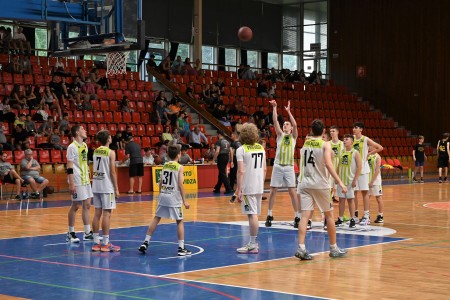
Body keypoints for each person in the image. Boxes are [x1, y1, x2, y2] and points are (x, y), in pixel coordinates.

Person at [295, 119, 348, 260]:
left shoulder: (305, 143)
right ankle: (333, 248)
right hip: (320, 184)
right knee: (329, 215)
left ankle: (301, 247)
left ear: (312, 130)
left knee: (305, 216)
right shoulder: (325, 145)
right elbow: (329, 165)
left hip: (305, 183)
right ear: (324, 131)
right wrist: (340, 182)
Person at [138, 145, 191, 256]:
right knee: (180, 221)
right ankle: (181, 248)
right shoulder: (180, 167)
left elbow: (161, 182)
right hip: (173, 197)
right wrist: (185, 200)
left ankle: (145, 242)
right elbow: (180, 184)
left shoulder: (165, 165)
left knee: (156, 218)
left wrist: (161, 192)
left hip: (163, 195)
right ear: (179, 154)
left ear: (167, 155)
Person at [265, 100, 301, 228]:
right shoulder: (280, 135)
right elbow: (275, 122)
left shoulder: (293, 137)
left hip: (289, 167)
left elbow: (296, 125)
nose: (285, 125)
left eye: (287, 124)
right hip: (278, 166)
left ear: (291, 128)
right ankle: (269, 214)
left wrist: (288, 112)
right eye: (284, 124)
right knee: (273, 190)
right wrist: (274, 107)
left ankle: (297, 216)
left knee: (292, 191)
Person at [235, 123, 267, 254]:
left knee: (252, 215)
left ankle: (253, 244)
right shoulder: (260, 147)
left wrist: (239, 189)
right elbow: (265, 169)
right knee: (254, 214)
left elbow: (240, 171)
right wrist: (261, 183)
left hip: (248, 186)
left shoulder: (241, 149)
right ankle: (252, 243)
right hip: (259, 185)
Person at [91, 130, 120, 252]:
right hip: (106, 185)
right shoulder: (111, 152)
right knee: (107, 213)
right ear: (108, 139)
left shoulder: (96, 151)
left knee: (97, 213)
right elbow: (112, 172)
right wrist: (116, 188)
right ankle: (106, 243)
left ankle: (96, 242)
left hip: (96, 185)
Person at [66, 125, 94, 243]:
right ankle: (70, 233)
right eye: (83, 129)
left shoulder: (85, 145)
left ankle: (87, 232)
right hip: (76, 180)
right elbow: (69, 165)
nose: (85, 130)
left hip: (85, 179)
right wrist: (71, 183)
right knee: (76, 205)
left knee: (87, 205)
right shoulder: (72, 147)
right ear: (77, 132)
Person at [352, 122, 383, 226]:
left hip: (363, 169)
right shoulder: (351, 139)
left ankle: (366, 216)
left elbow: (380, 148)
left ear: (361, 129)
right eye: (353, 127)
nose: (354, 129)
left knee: (365, 192)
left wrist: (368, 154)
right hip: (353, 168)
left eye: (356, 127)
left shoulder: (365, 139)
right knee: (354, 193)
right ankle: (355, 215)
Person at [335, 135, 361, 228]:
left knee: (350, 200)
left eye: (346, 139)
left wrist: (355, 180)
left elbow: (359, 167)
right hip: (342, 181)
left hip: (350, 180)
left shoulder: (355, 152)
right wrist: (336, 177)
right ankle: (340, 218)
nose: (344, 141)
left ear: (352, 142)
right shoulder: (342, 151)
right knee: (341, 200)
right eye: (344, 139)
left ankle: (353, 218)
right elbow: (339, 165)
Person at [212, 130, 234, 195]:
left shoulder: (219, 141)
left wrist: (213, 160)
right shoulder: (227, 141)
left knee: (222, 173)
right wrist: (231, 160)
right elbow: (231, 151)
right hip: (227, 156)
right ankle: (217, 188)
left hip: (221, 157)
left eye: (217, 135)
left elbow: (217, 151)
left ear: (219, 134)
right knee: (221, 173)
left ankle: (229, 188)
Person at [368, 146, 384, 224]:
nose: (368, 147)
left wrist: (372, 181)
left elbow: (377, 170)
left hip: (375, 181)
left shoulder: (377, 157)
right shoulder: (367, 155)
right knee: (367, 198)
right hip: (367, 180)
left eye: (370, 146)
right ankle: (367, 215)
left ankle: (380, 216)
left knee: (378, 198)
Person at [330, 126, 344, 203]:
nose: (332, 133)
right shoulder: (328, 143)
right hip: (330, 165)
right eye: (331, 131)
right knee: (329, 184)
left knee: (337, 183)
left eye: (333, 131)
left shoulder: (342, 144)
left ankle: (333, 196)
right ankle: (329, 197)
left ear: (338, 132)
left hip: (339, 166)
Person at [229, 131, 242, 203]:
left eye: (232, 135)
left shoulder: (236, 143)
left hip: (238, 160)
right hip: (238, 160)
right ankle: (234, 193)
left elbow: (232, 152)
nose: (231, 136)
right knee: (237, 176)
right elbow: (232, 152)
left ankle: (235, 194)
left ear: (235, 135)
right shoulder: (237, 143)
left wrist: (231, 161)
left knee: (238, 177)